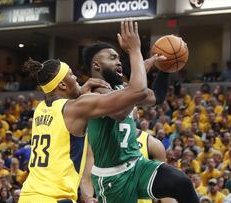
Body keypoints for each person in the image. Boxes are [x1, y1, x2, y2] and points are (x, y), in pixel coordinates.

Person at [19, 19, 151, 203]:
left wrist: (80, 90)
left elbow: (61, 98)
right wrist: (135, 51)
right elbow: (138, 91)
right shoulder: (76, 108)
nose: (78, 78)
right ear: (63, 84)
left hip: (29, 195)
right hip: (55, 198)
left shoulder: (41, 108)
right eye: (73, 76)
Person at [81, 26, 198, 203]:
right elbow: (121, 110)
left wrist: (165, 68)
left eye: (119, 58)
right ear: (96, 65)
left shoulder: (121, 89)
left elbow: (155, 96)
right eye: (112, 58)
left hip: (138, 166)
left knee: (182, 183)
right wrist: (135, 51)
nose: (119, 62)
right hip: (113, 179)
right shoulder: (94, 94)